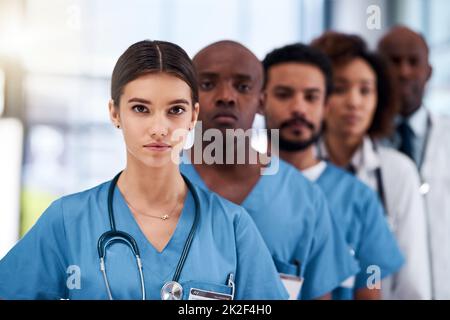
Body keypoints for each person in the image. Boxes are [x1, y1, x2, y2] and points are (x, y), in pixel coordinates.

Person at [0, 40, 288, 300]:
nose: (159, 129)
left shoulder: (233, 228)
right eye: (141, 109)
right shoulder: (67, 220)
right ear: (114, 113)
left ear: (193, 116)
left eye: (175, 110)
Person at [180, 40, 359, 300]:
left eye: (242, 86)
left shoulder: (305, 199)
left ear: (262, 101)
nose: (226, 97)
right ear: (189, 99)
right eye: (208, 84)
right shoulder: (158, 188)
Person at [262, 42, 404, 300]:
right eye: (284, 94)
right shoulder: (238, 190)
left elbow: (369, 292)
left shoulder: (359, 200)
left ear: (326, 105)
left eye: (311, 97)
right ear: (261, 101)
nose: (299, 108)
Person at [311, 32, 431, 300]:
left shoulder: (398, 171)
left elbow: (412, 280)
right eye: (340, 89)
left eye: (365, 90)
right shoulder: (296, 168)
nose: (354, 102)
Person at [378, 26, 450, 300]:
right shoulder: (362, 146)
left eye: (413, 62)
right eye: (393, 62)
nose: (404, 72)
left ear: (428, 71)